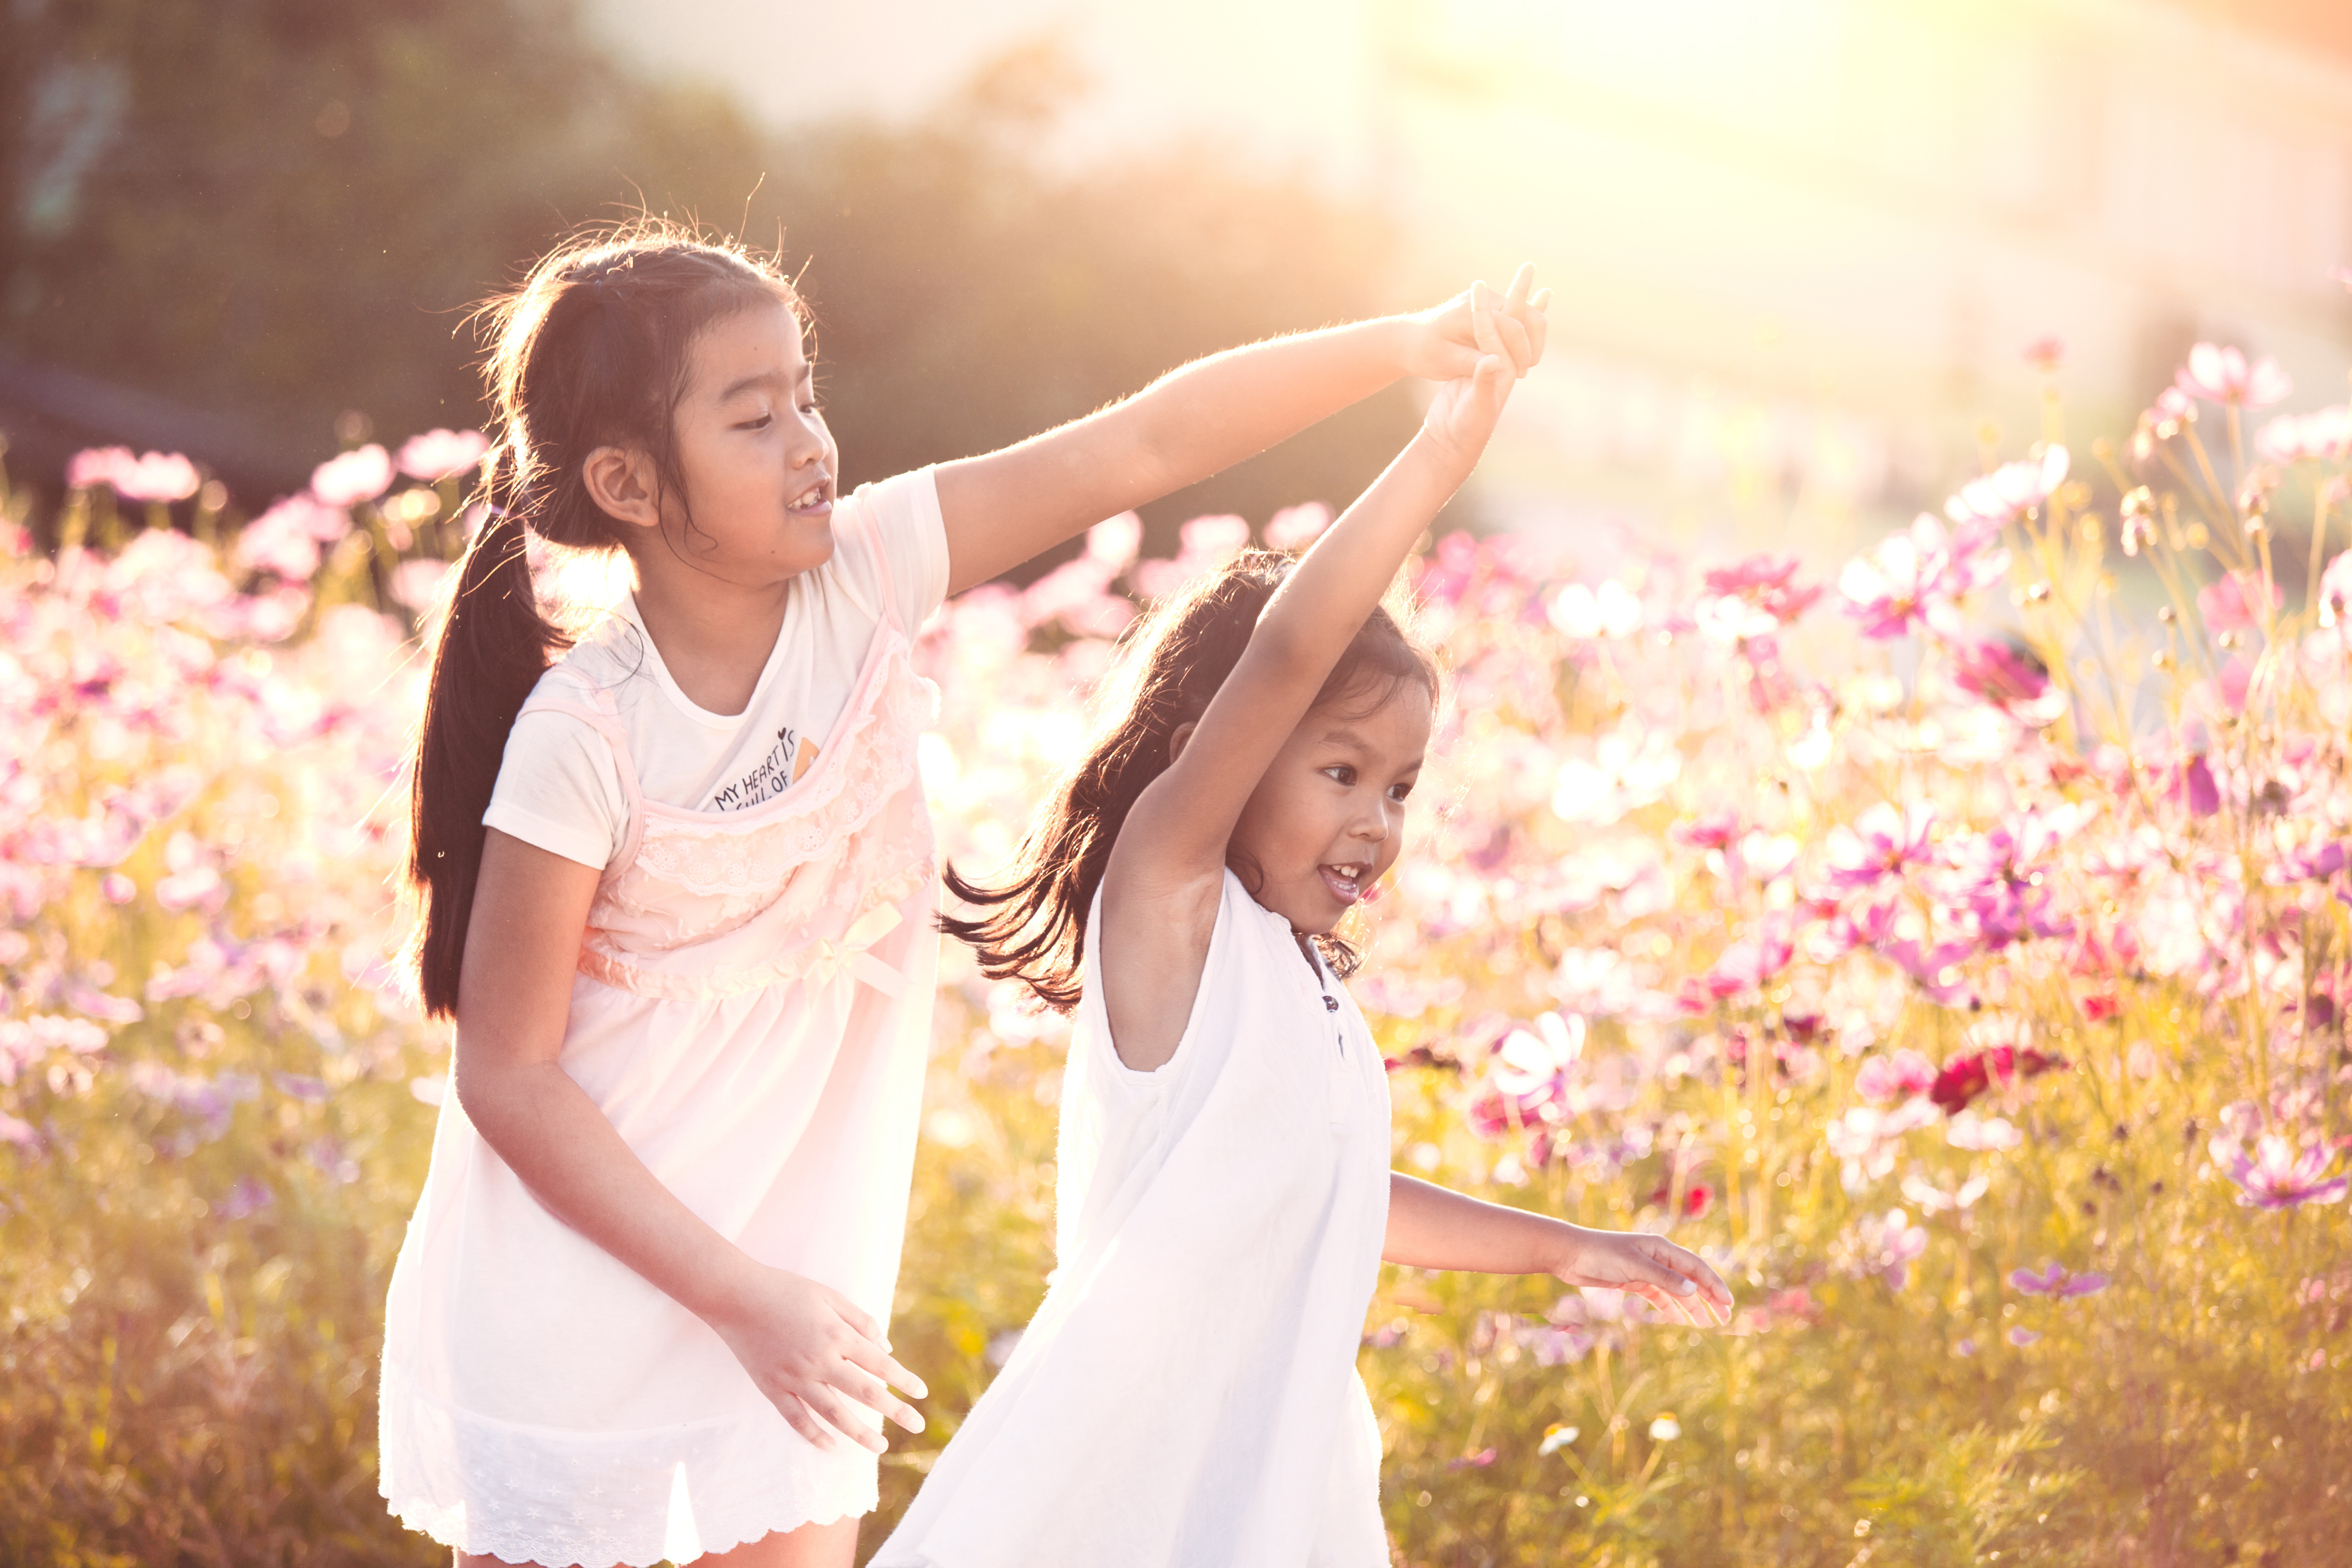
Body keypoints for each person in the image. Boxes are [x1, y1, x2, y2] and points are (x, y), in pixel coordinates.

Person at [378, 221, 1539, 1568]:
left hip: (799, 1311)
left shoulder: (866, 575)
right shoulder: (586, 735)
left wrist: (1400, 347)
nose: (811, 442)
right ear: (628, 484)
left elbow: (1145, 445)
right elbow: (508, 1075)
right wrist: (738, 1298)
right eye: (754, 418)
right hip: (595, 1303)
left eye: (807, 395)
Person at [875, 266, 1734, 1568]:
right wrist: (1438, 460)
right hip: (1118, 1492)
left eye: (1400, 788)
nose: (1377, 821)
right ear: (1216, 747)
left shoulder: (1300, 984)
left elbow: (1338, 1192)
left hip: (1274, 1483)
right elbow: (1284, 655)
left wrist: (1571, 1251)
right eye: (1340, 771)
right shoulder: (1171, 909)